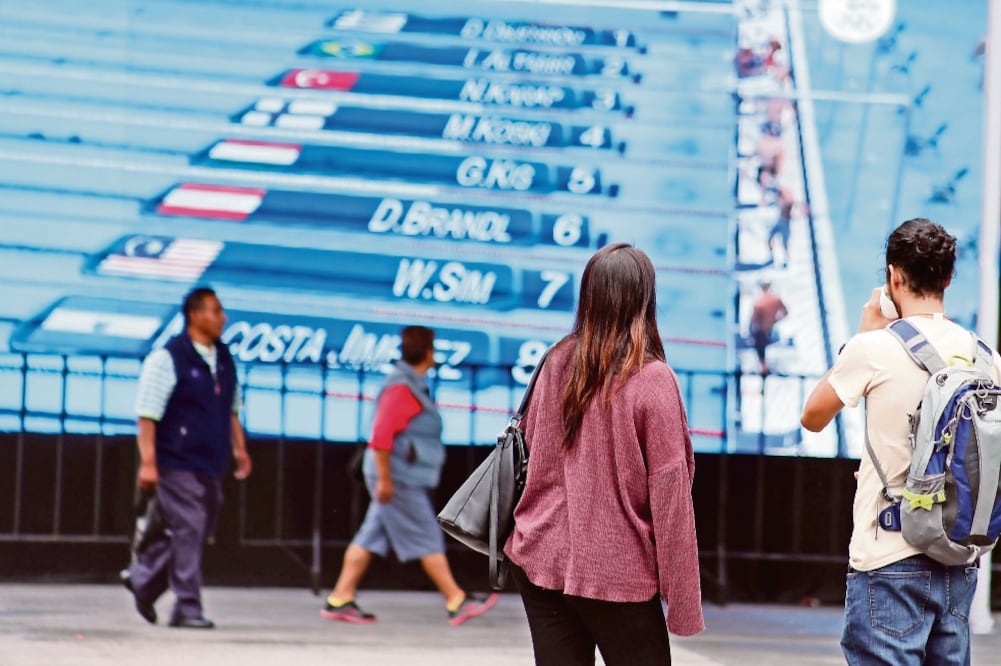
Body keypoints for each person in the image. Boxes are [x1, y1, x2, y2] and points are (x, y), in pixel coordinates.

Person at [801, 218, 998, 665]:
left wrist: (863, 334)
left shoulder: (874, 348)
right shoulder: (985, 358)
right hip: (958, 559)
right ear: (948, 278)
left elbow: (812, 417)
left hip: (889, 555)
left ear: (892, 277)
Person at [505, 243, 704, 665]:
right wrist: (683, 603)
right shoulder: (653, 380)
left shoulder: (556, 360)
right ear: (644, 300)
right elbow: (670, 499)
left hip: (540, 556)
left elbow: (530, 453)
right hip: (617, 573)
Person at [321, 325, 497, 626]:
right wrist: (386, 479)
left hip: (397, 477)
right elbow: (380, 437)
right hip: (398, 479)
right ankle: (456, 599)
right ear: (428, 352)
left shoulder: (411, 384)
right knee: (426, 536)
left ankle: (340, 598)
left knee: (369, 537)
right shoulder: (402, 387)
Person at [120, 287, 252, 629]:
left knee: (195, 529)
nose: (222, 318)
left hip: (211, 460)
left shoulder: (223, 358)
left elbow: (232, 409)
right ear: (195, 315)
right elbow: (147, 413)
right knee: (190, 526)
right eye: (215, 311)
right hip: (175, 459)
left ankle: (143, 579)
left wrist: (240, 449)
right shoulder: (168, 358)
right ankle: (187, 606)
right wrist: (148, 461)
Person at [749, 280, 787, 374]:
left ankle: (764, 367)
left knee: (760, 348)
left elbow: (753, 320)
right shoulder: (776, 299)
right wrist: (774, 320)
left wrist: (750, 332)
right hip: (770, 327)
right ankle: (765, 366)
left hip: (761, 330)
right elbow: (785, 312)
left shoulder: (759, 302)